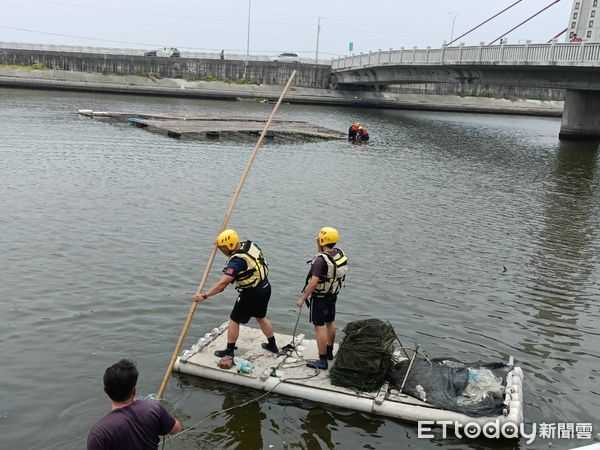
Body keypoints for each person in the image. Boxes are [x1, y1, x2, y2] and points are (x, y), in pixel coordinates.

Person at [194, 229, 278, 358]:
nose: (222, 251)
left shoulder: (237, 262)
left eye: (223, 248)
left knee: (234, 319)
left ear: (231, 245)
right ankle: (272, 345)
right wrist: (219, 242)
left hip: (252, 293)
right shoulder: (250, 246)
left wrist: (204, 295)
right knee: (260, 316)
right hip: (265, 287)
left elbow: (222, 284)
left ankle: (229, 351)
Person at [87, 359, 182, 450]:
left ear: (105, 390)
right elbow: (176, 428)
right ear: (134, 390)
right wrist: (162, 414)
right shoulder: (152, 408)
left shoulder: (99, 433)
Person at [296, 227, 348, 370]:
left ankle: (322, 361)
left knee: (319, 327)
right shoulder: (339, 253)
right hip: (332, 295)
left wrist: (302, 298)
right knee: (330, 322)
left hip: (320, 297)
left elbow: (313, 283)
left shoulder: (320, 260)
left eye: (319, 238)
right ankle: (330, 352)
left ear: (322, 240)